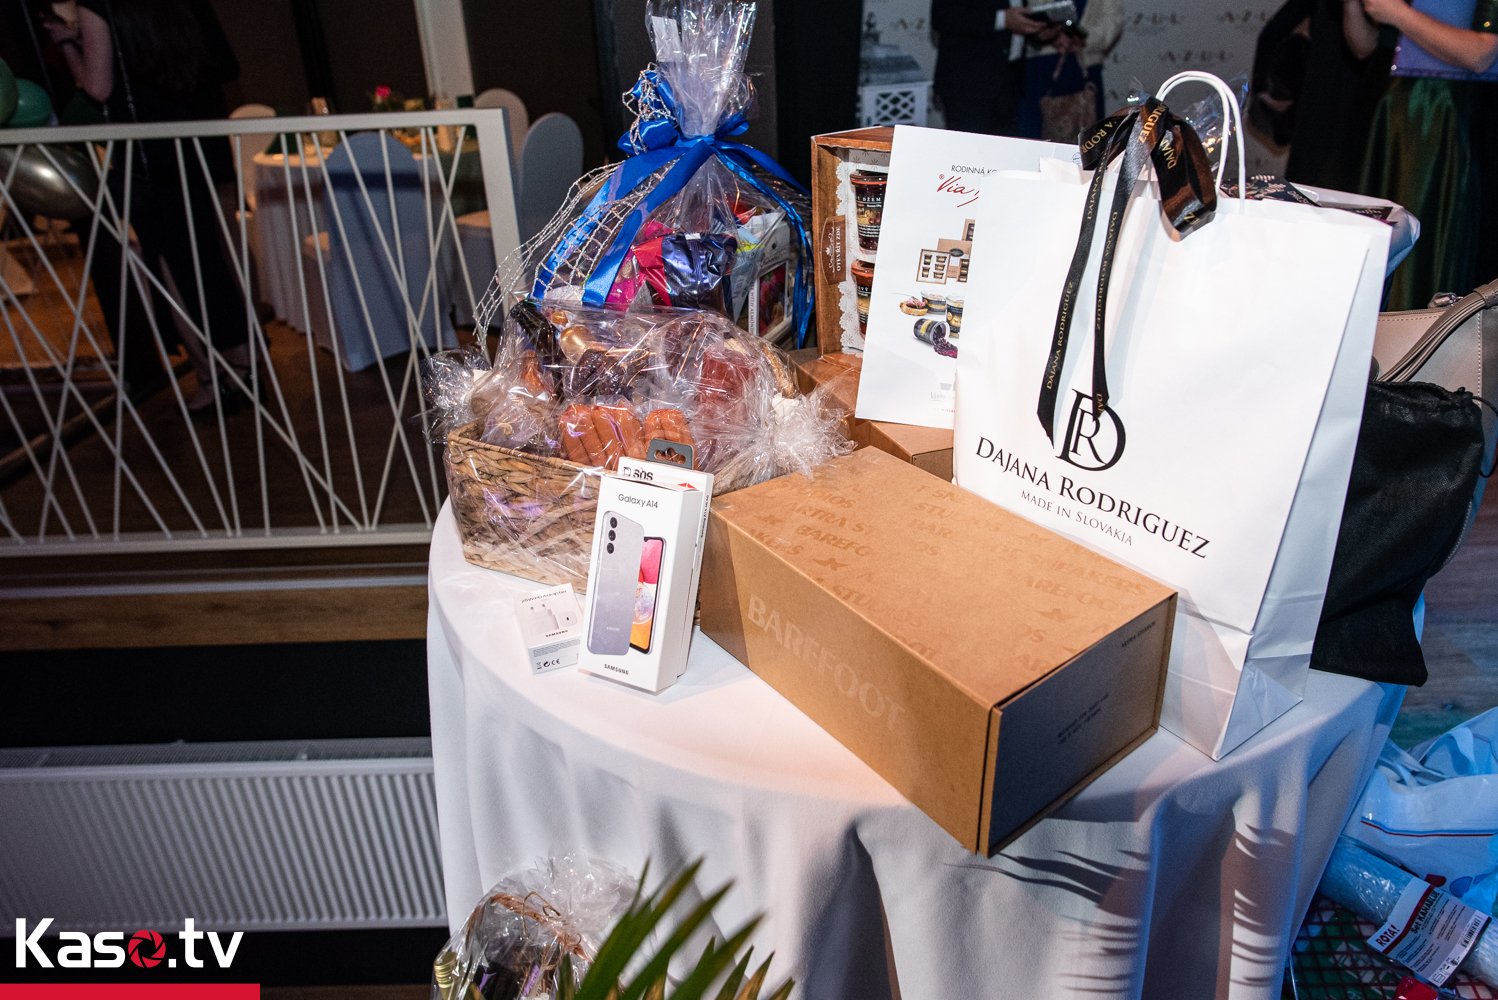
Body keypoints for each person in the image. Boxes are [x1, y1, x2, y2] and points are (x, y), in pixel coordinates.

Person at [43, 0, 252, 410]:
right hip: (194, 148)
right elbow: (222, 64)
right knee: (209, 262)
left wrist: (69, 44)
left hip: (146, 161)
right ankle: (243, 369)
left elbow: (97, 87)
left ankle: (213, 378)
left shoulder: (98, 5)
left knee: (173, 274)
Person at [1347, 0, 1498, 308]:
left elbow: (1482, 54)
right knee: (1379, 250)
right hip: (1394, 122)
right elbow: (1363, 45)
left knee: (1436, 247)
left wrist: (1397, 13)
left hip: (1450, 124)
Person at [932, 0, 1056, 135]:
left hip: (1010, 81)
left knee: (1007, 146)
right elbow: (943, 15)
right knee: (970, 147)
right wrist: (1002, 19)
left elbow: (1016, 16)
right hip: (969, 84)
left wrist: (1036, 31)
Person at [1018, 0, 1123, 140]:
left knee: (1086, 142)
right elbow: (1025, 12)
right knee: (1032, 138)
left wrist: (1080, 39)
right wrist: (1049, 35)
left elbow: (1112, 22)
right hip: (1039, 68)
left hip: (1085, 68)